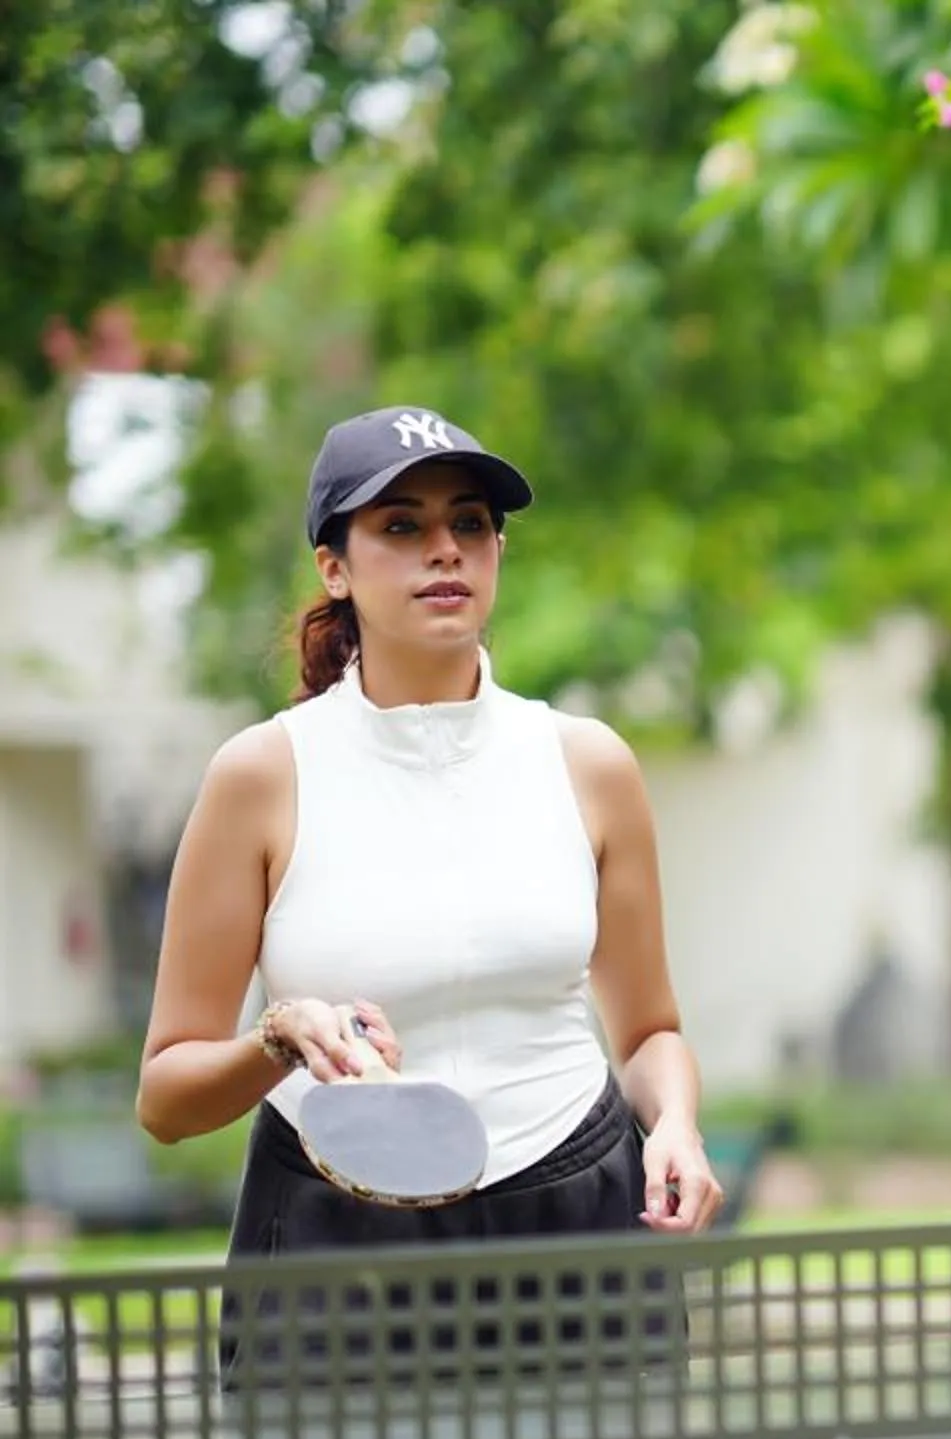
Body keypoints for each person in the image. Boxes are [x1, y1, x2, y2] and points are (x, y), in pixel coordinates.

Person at [136, 405, 724, 1326]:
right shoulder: (262, 775)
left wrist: (678, 1127)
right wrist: (278, 1039)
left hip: (580, 1228)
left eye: (470, 524)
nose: (444, 549)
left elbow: (649, 1032)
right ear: (334, 565)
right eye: (401, 525)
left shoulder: (589, 763)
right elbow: (166, 1098)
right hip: (338, 1250)